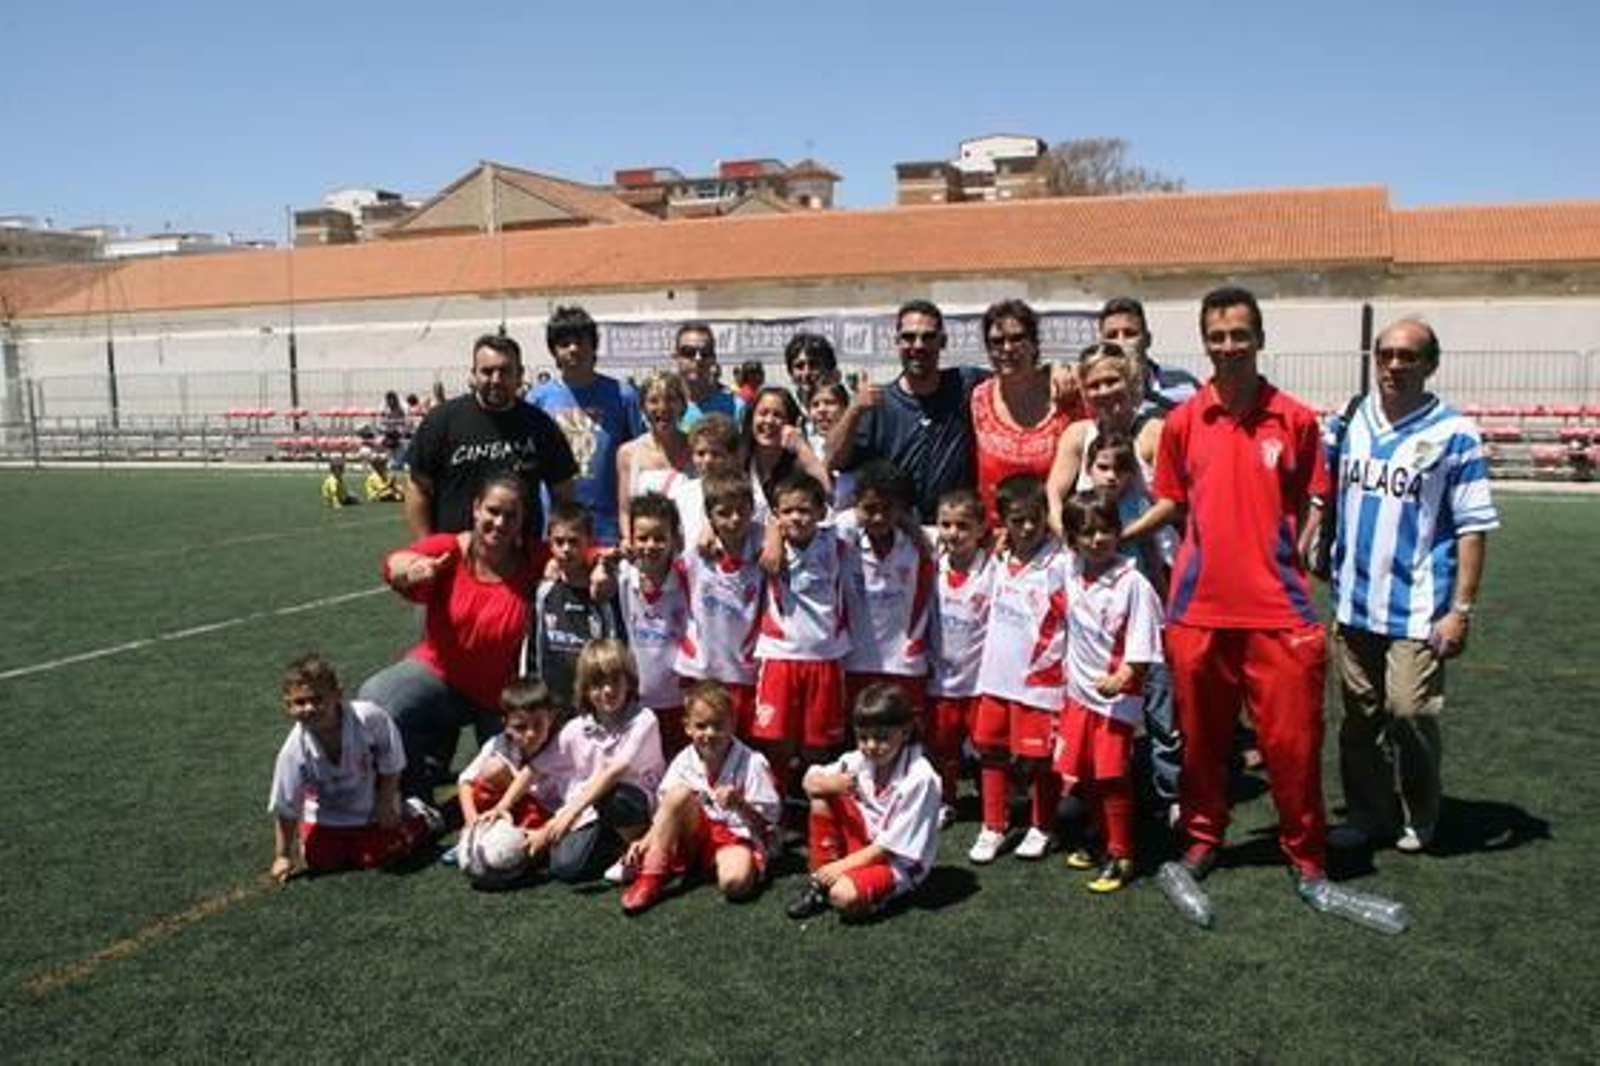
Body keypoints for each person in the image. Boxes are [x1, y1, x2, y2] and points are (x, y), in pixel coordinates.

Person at [1125, 286, 1332, 891]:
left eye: (1240, 334)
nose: (1228, 346)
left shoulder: (1295, 420)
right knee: (1201, 743)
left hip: (1279, 610)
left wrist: (1287, 555)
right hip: (1199, 610)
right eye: (1217, 336)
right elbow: (1172, 503)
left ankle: (1305, 851)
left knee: (1292, 745)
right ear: (1204, 342)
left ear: (1260, 339)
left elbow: (1310, 501)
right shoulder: (1184, 421)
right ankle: (1203, 838)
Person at [1324, 318, 1498, 854]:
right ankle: (1368, 814)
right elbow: (1322, 490)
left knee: (1409, 710)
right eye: (1386, 354)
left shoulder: (1455, 433)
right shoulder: (1349, 418)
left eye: (1409, 356)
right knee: (1359, 719)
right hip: (1353, 601)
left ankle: (1421, 810)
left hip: (1419, 607)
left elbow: (1473, 527)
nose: (1395, 365)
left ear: (1431, 364)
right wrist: (1312, 537)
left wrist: (1461, 609)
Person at [359, 474, 547, 800]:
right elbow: (394, 562)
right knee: (376, 699)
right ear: (476, 508)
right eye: (493, 511)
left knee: (504, 778)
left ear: (522, 521)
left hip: (501, 696)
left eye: (511, 515)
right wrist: (410, 569)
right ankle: (410, 789)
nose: (500, 523)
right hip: (440, 674)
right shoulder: (450, 549)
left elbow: (583, 553)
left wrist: (600, 565)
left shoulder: (533, 558)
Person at [1054, 493, 1164, 893]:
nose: (1097, 539)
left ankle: (1122, 854)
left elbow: (1145, 643)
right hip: (1078, 693)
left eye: (1105, 530)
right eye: (1087, 532)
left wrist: (1124, 675)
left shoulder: (1132, 583)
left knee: (1112, 776)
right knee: (1084, 772)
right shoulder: (1069, 569)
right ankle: (1098, 834)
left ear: (1118, 532)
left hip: (1115, 700)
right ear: (1072, 540)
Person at [969, 474, 1070, 864]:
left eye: (1034, 518)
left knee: (1040, 759)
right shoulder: (995, 559)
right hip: (995, 677)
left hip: (1039, 683)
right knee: (991, 752)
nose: (1027, 528)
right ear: (1002, 521)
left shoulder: (1061, 563)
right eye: (1017, 520)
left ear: (1047, 516)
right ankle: (993, 825)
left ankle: (1042, 825)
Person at [268, 653, 440, 882]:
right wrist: (282, 855)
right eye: (300, 702)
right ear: (288, 704)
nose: (309, 708)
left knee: (378, 856)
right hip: (328, 815)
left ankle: (419, 816)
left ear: (337, 694)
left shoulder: (368, 717)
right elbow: (286, 806)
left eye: (317, 699)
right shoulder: (292, 751)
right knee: (321, 861)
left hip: (371, 808)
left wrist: (386, 803)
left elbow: (392, 760)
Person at [619, 681, 782, 914]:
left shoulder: (752, 762)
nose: (710, 733)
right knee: (678, 794)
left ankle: (719, 865)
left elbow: (766, 824)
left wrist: (740, 804)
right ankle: (651, 875)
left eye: (718, 725)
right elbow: (667, 812)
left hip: (735, 836)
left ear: (733, 724)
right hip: (695, 835)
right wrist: (645, 841)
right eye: (701, 726)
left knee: (736, 884)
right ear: (687, 727)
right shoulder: (683, 760)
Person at [785, 683, 942, 922]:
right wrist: (831, 784)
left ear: (905, 731)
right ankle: (819, 884)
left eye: (882, 738)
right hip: (865, 843)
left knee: (842, 897)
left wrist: (841, 867)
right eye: (863, 737)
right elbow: (809, 781)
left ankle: (857, 888)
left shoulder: (921, 778)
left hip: (896, 860)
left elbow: (889, 847)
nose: (870, 746)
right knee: (822, 795)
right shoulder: (858, 759)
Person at [825, 300, 988, 523]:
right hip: (899, 532)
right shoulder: (877, 404)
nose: (918, 346)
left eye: (928, 337)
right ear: (897, 342)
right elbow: (833, 460)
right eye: (909, 337)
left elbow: (1016, 380)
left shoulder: (967, 384)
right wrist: (853, 410)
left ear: (943, 341)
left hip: (956, 530)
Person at [405, 333, 578, 539]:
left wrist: (557, 543)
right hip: (455, 553)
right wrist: (426, 545)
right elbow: (417, 487)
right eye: (487, 372)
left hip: (521, 553)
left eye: (505, 371)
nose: (496, 380)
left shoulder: (540, 425)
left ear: (520, 374)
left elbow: (563, 493)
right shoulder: (442, 421)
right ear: (473, 375)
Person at [752, 472, 852, 793]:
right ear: (776, 514)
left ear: (821, 513)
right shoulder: (763, 542)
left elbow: (866, 507)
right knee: (777, 743)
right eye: (787, 511)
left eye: (805, 510)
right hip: (780, 654)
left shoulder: (836, 541)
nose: (796, 517)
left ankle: (813, 808)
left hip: (825, 656)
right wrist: (772, 532)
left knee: (816, 746)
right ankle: (775, 809)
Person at [543, 640, 666, 884]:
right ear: (585, 689)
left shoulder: (644, 718)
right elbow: (538, 766)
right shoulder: (576, 727)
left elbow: (615, 771)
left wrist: (571, 813)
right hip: (594, 809)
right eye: (598, 684)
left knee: (616, 797)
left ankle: (640, 849)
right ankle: (614, 846)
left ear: (628, 681)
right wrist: (504, 805)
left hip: (636, 807)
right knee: (565, 868)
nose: (608, 690)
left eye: (615, 681)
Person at [528, 306, 645, 546]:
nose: (573, 349)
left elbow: (637, 460)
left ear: (593, 345)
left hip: (608, 530)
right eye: (564, 343)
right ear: (553, 351)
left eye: (580, 341)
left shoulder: (623, 396)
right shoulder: (537, 399)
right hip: (556, 532)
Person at [970, 298, 1082, 524]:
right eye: (997, 341)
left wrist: (1061, 366)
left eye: (1017, 338)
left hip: (1056, 532)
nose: (1007, 348)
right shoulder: (978, 398)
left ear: (1034, 343)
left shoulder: (1067, 392)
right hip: (996, 535)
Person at [675, 470, 766, 737]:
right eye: (724, 513)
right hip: (702, 671)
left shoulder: (763, 553)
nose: (734, 519)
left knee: (744, 747)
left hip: (745, 672)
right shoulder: (694, 555)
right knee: (704, 743)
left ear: (752, 510)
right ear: (710, 516)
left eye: (741, 511)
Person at [839, 459, 933, 713]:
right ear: (856, 504)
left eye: (888, 508)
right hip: (855, 661)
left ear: (901, 508)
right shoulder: (843, 539)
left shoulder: (922, 543)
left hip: (906, 664)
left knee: (905, 733)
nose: (879, 517)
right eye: (870, 509)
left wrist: (911, 525)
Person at [925, 488, 994, 825]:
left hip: (980, 680)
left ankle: (995, 805)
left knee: (988, 747)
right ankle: (945, 800)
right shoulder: (932, 565)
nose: (953, 533)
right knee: (942, 748)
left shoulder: (994, 569)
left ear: (981, 528)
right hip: (940, 681)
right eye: (946, 525)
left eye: (963, 526)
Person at [520, 501, 622, 712]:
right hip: (551, 706)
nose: (566, 549)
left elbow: (613, 646)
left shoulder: (602, 591)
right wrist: (529, 691)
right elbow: (532, 648)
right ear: (549, 543)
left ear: (589, 541)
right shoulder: (543, 591)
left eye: (574, 541)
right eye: (559, 542)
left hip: (593, 705)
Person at [617, 492, 691, 757]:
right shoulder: (623, 575)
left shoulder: (688, 579)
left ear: (674, 540)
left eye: (660, 538)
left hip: (680, 701)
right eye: (642, 538)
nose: (650, 545)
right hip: (636, 702)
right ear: (630, 539)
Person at [456, 677, 565, 835]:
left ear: (551, 717)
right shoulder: (501, 742)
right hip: (510, 805)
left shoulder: (562, 745)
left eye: (538, 724)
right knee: (492, 768)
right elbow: (465, 781)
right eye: (520, 727)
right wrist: (471, 819)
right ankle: (484, 827)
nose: (530, 733)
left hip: (545, 811)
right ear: (506, 724)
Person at [614, 370, 694, 545]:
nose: (662, 407)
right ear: (643, 407)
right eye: (653, 401)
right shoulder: (628, 453)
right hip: (647, 550)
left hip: (690, 548)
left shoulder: (697, 449)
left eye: (670, 399)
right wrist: (628, 540)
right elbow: (625, 511)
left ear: (683, 405)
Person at [669, 413, 768, 551]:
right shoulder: (682, 494)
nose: (707, 460)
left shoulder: (752, 496)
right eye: (700, 453)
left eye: (716, 454)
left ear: (734, 456)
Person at [1097, 295, 1201, 415]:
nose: (1121, 342)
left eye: (1130, 333)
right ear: (1101, 344)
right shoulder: (1093, 391)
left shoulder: (1185, 385)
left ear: (1147, 340)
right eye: (1112, 335)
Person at [744, 386, 832, 508]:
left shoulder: (801, 464)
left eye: (777, 415)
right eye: (763, 413)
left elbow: (828, 494)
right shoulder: (739, 461)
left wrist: (801, 447)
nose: (769, 421)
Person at [672, 322, 744, 430]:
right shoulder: (662, 407)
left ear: (713, 358)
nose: (698, 358)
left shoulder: (736, 408)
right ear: (676, 357)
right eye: (689, 352)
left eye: (705, 352)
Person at [805, 381, 856, 508]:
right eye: (815, 405)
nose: (822, 410)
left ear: (845, 409)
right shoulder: (805, 448)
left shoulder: (858, 444)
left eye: (830, 403)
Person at [784, 331, 841, 409]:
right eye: (799, 366)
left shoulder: (846, 407)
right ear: (790, 372)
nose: (806, 373)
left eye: (813, 365)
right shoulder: (786, 407)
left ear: (828, 368)